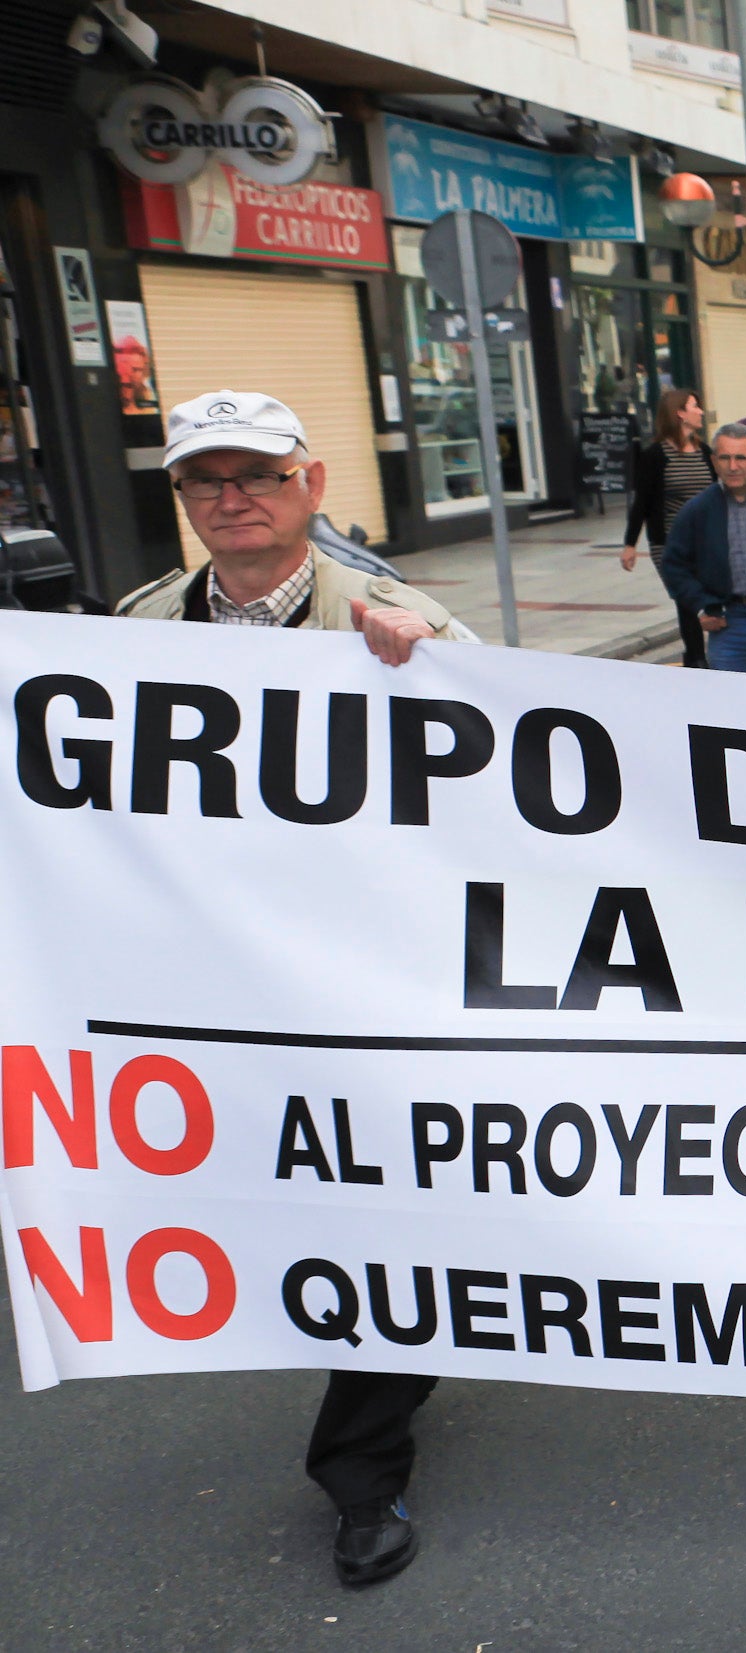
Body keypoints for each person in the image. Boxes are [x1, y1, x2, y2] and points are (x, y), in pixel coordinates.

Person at [117, 389, 466, 1589]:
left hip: (363, 996)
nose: (231, 499)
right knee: (283, 1211)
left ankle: (362, 1475)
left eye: (257, 476)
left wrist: (428, 679)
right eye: (205, 480)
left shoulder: (400, 622)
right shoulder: (135, 629)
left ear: (311, 486)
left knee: (374, 1218)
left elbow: (506, 790)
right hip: (217, 992)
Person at [660, 422, 746, 675]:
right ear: (714, 462)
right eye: (725, 458)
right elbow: (673, 564)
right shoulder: (698, 510)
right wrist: (701, 605)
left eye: (741, 458)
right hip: (729, 622)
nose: (733, 466)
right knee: (731, 708)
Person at [621, 386, 716, 667]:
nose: (700, 411)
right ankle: (697, 662)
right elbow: (642, 503)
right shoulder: (655, 456)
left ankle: (707, 660)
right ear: (679, 413)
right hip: (670, 545)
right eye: (694, 406)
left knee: (710, 602)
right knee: (687, 602)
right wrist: (630, 545)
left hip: (706, 543)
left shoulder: (704, 452)